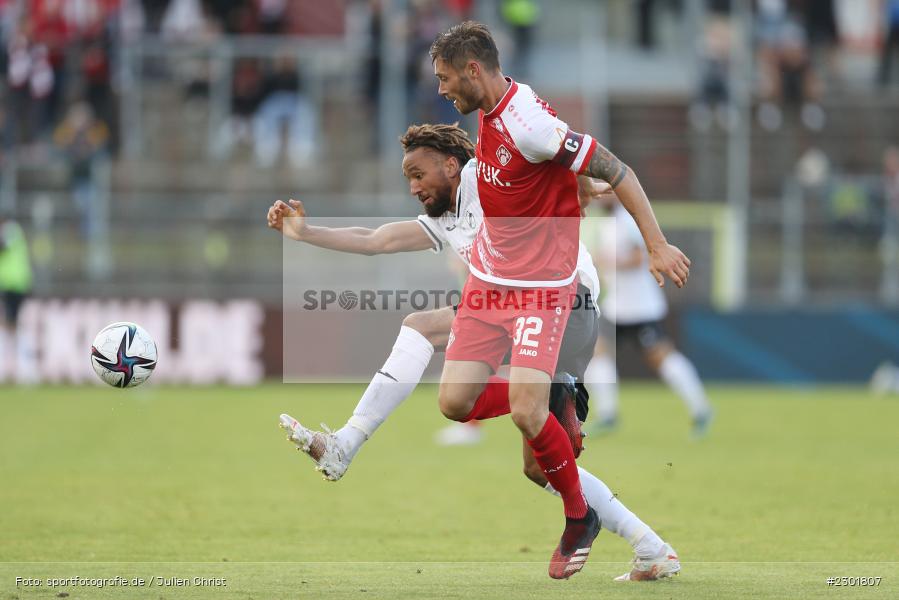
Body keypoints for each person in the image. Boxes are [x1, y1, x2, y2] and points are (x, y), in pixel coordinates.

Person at [268, 123, 680, 582]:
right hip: (511, 304)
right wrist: (304, 234)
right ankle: (652, 547)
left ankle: (347, 443)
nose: (413, 186)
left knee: (422, 326)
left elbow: (545, 160)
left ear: (451, 164)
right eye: (408, 178)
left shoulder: (488, 179)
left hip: (562, 298)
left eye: (418, 174)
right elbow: (376, 240)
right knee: (537, 466)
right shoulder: (446, 217)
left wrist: (580, 182)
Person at [427, 21, 690, 579]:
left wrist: (657, 244)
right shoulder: (490, 115)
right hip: (503, 286)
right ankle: (651, 546)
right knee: (468, 412)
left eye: (447, 78)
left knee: (526, 414)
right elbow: (545, 180)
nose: (442, 89)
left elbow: (616, 169)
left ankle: (579, 508)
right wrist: (573, 188)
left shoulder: (530, 123)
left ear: (474, 70)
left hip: (551, 289)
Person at [582, 185, 713, 438]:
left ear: (619, 194)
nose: (598, 195)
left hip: (639, 306)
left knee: (661, 357)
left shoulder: (628, 221)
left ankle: (701, 408)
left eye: (605, 190)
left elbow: (640, 258)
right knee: (596, 351)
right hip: (617, 306)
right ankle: (608, 414)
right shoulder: (610, 223)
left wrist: (608, 261)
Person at [0, 216, 33, 383]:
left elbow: (2, 246)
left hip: (13, 284)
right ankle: (26, 369)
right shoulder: (13, 229)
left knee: (11, 325)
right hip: (12, 284)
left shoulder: (11, 229)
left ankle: (27, 370)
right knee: (11, 324)